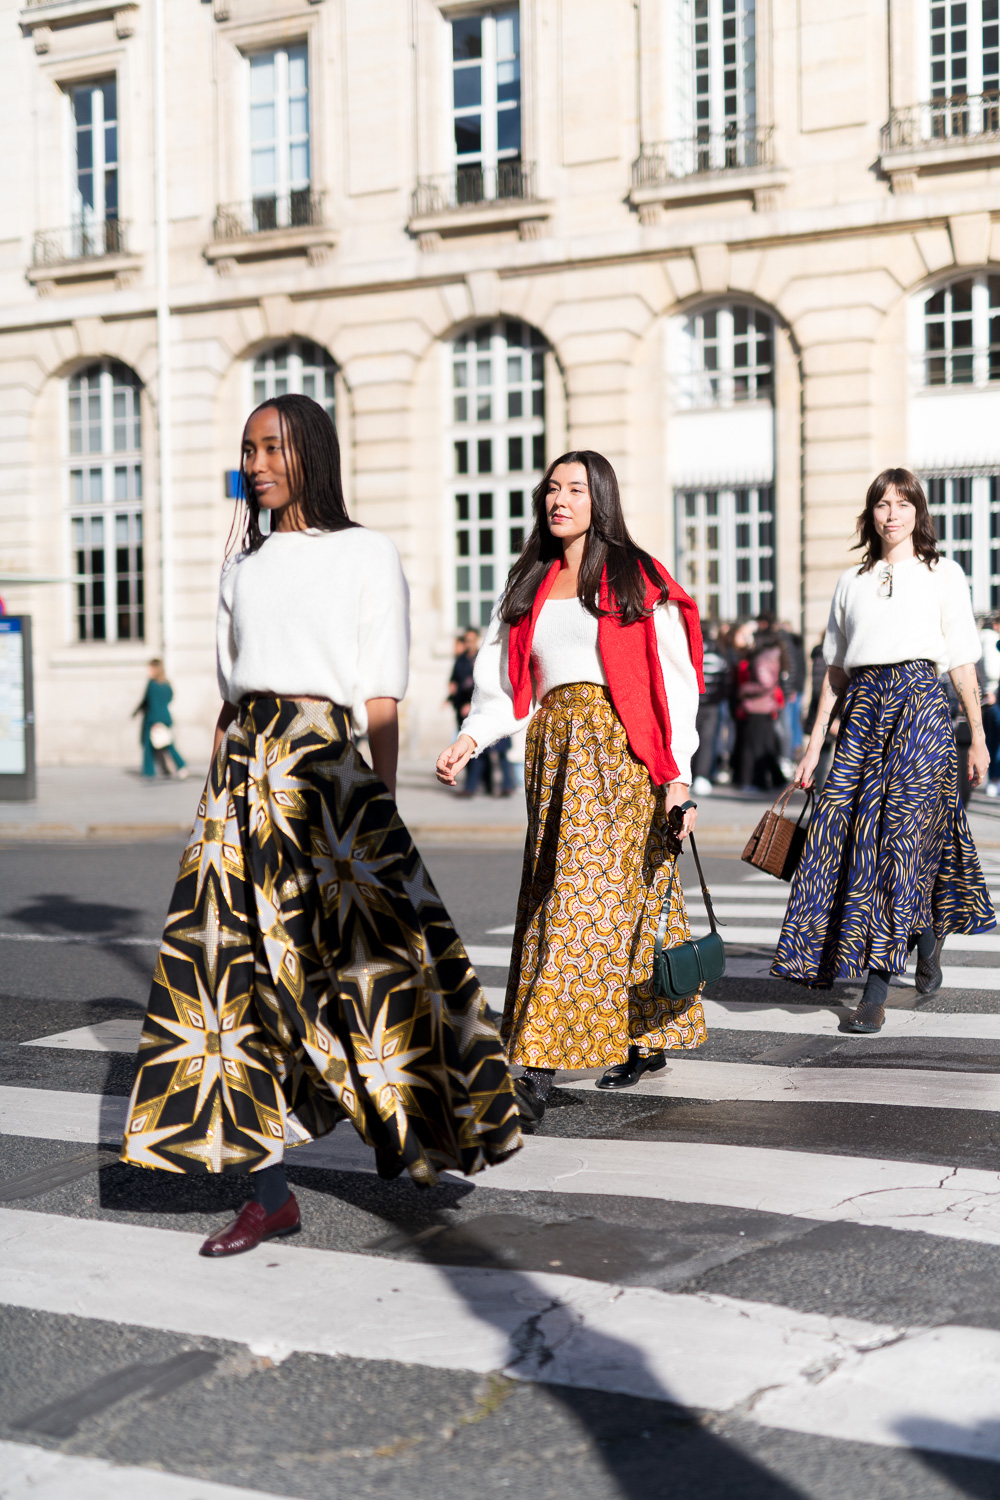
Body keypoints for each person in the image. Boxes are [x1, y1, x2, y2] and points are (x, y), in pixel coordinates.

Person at [121, 393, 520, 1255]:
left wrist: (381, 805)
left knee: (371, 968)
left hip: (327, 770)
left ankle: (411, 1127)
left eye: (272, 447)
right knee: (232, 982)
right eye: (248, 450)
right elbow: (229, 697)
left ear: (311, 453)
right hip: (242, 777)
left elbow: (380, 696)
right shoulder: (241, 566)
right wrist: (212, 806)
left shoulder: (365, 553)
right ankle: (268, 1194)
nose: (257, 464)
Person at [435, 450, 707, 1117]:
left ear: (600, 499)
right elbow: (505, 681)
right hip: (553, 754)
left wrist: (678, 775)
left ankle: (534, 1069)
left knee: (576, 903)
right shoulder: (529, 579)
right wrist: (472, 737)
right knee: (621, 895)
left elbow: (675, 684)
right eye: (553, 488)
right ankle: (646, 1032)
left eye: (576, 489)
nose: (560, 499)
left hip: (622, 753)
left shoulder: (635, 575)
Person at [772, 468, 995, 1033]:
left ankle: (875, 989)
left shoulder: (943, 573)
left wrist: (979, 737)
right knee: (840, 834)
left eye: (903, 503)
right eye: (882, 504)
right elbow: (835, 671)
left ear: (918, 511)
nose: (892, 514)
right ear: (870, 513)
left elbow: (962, 661)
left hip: (921, 709)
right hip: (864, 712)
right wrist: (812, 746)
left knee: (901, 839)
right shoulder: (852, 581)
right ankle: (926, 932)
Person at [733, 631, 786, 792]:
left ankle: (757, 781)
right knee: (765, 745)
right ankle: (772, 780)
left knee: (754, 746)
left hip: (758, 706)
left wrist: (745, 689)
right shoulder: (771, 657)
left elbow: (765, 683)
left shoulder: (761, 659)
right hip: (765, 705)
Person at [691, 627, 731, 796]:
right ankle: (702, 775)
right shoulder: (718, 658)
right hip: (712, 705)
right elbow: (725, 681)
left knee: (690, 739)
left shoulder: (692, 655)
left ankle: (688, 775)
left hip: (693, 703)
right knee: (707, 741)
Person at [133, 659, 187, 779]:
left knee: (148, 746)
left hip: (153, 718)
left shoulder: (152, 684)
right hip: (165, 717)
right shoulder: (167, 684)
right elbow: (170, 698)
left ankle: (149, 771)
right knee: (167, 744)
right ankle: (180, 766)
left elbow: (147, 701)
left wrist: (137, 712)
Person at [979, 613, 1000, 796]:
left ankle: (993, 780)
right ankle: (994, 780)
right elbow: (992, 670)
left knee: (992, 741)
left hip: (989, 697)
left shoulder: (982, 640)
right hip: (994, 697)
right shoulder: (992, 641)